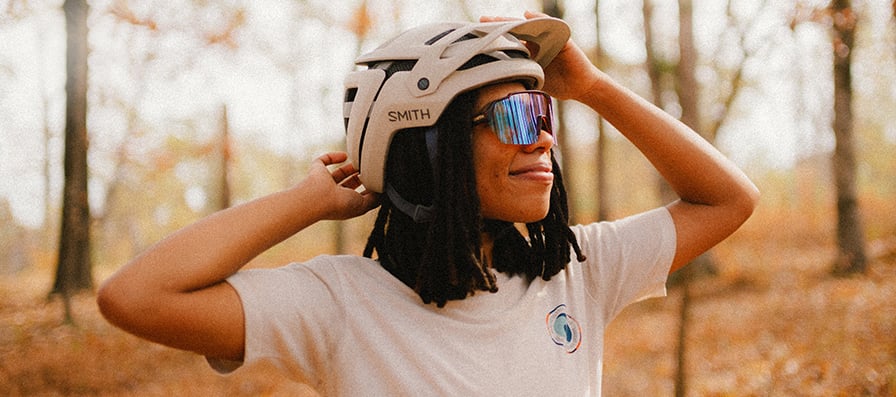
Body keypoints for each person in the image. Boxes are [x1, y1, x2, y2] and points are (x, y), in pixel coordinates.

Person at [97, 11, 759, 396]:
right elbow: (135, 296)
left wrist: (593, 88)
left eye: (542, 111)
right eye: (514, 116)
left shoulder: (575, 269)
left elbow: (729, 198)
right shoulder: (341, 305)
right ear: (428, 151)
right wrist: (305, 201)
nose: (545, 135)